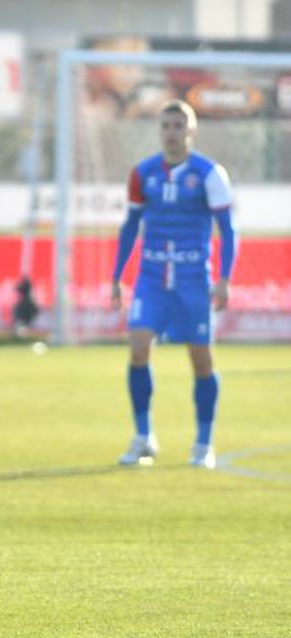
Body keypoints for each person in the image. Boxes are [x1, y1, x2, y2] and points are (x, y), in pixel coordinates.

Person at [111, 99, 237, 469]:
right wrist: (117, 275)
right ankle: (143, 436)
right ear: (159, 131)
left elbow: (228, 230)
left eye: (179, 125)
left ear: (191, 131)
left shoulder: (210, 174)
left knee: (201, 360)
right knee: (137, 348)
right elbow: (131, 226)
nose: (172, 133)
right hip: (151, 277)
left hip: (192, 278)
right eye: (166, 125)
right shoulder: (143, 173)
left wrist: (225, 278)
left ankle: (203, 443)